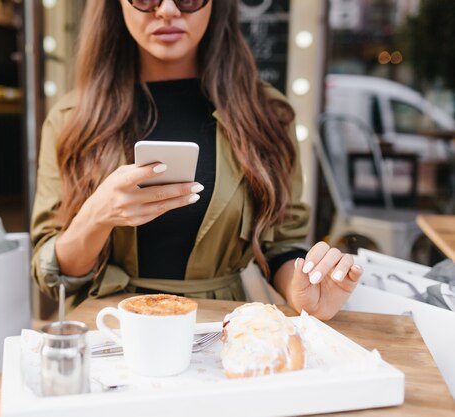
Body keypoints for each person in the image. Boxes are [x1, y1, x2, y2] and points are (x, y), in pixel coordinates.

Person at [31, 0, 362, 320]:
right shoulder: (70, 120)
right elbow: (50, 275)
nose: (169, 10)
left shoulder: (267, 115)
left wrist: (305, 291)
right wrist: (96, 217)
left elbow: (282, 244)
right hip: (111, 328)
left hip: (218, 330)